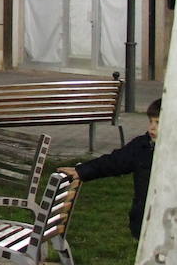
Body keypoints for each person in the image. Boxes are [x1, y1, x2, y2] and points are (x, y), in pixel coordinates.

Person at [61, 99, 160, 240]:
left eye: (158, 123)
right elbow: (115, 161)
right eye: (151, 122)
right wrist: (82, 171)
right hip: (145, 222)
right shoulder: (143, 146)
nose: (151, 128)